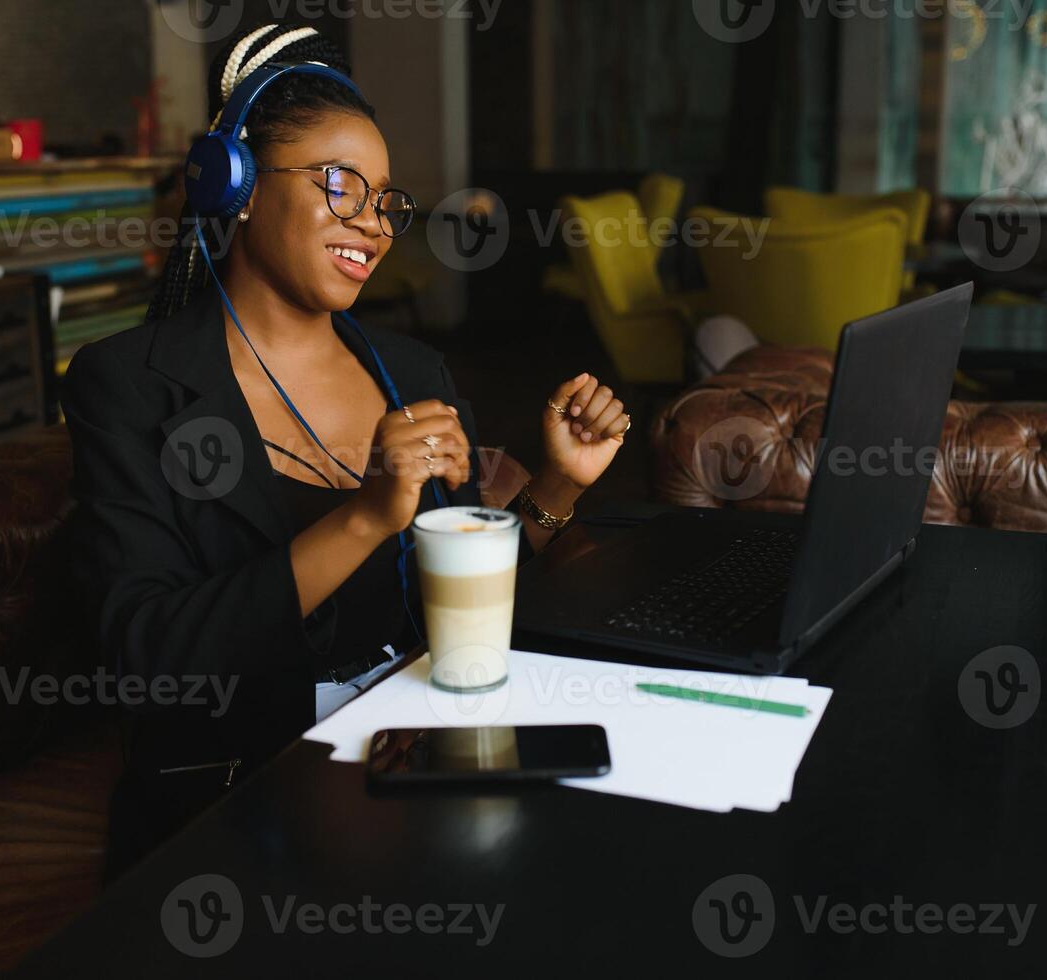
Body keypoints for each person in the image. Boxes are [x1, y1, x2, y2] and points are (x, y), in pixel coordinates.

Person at [61, 23, 629, 875]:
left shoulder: (409, 368)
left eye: (385, 200)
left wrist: (558, 481)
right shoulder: (129, 382)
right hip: (240, 796)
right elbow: (150, 657)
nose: (372, 223)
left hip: (415, 758)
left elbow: (456, 603)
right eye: (340, 185)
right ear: (238, 188)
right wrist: (365, 517)